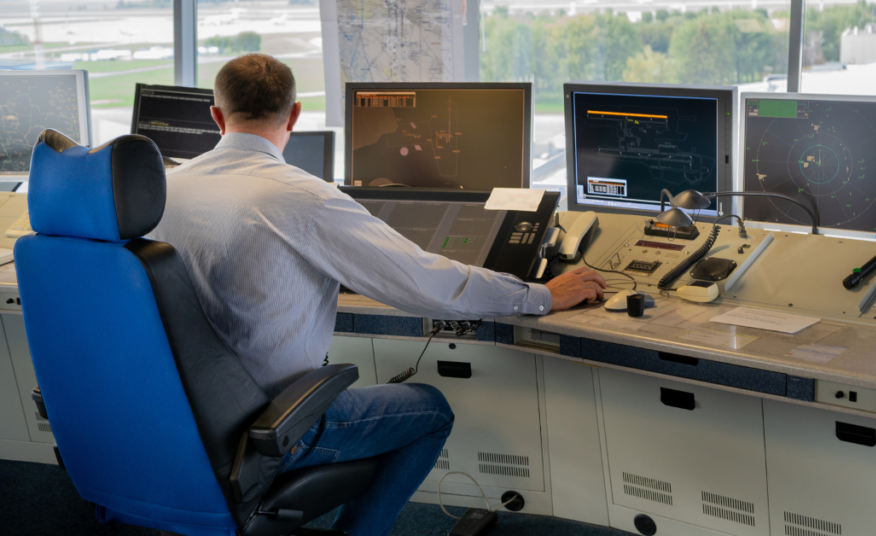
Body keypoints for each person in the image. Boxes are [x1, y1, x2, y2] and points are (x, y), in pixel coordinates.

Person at [148, 53, 607, 536]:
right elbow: (428, 283)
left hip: (175, 424)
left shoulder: (162, 189)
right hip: (268, 430)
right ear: (296, 115)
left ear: (217, 117)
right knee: (429, 411)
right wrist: (538, 296)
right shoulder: (305, 198)